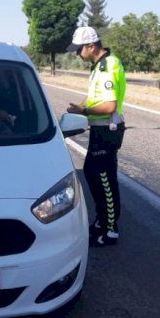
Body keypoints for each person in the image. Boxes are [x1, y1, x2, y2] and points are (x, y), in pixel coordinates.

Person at [66, 26, 126, 247]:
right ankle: (102, 222)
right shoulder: (98, 66)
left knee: (105, 180)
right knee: (93, 174)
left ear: (91, 46)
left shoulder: (108, 66)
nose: (77, 54)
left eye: (78, 49)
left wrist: (84, 112)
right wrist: (81, 106)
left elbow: (109, 105)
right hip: (99, 129)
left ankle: (111, 230)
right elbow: (95, 98)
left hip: (107, 130)